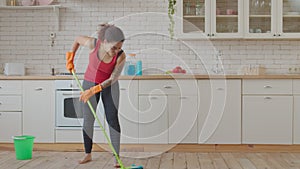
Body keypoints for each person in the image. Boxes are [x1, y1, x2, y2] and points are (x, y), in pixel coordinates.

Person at [66, 24, 126, 168]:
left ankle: (116, 157)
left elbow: (113, 78)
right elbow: (77, 39)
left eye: (119, 47)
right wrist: (71, 57)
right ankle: (88, 153)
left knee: (112, 120)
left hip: (109, 88)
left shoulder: (120, 56)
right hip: (89, 83)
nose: (116, 51)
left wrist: (94, 90)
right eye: (114, 48)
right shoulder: (93, 44)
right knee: (88, 119)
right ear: (104, 42)